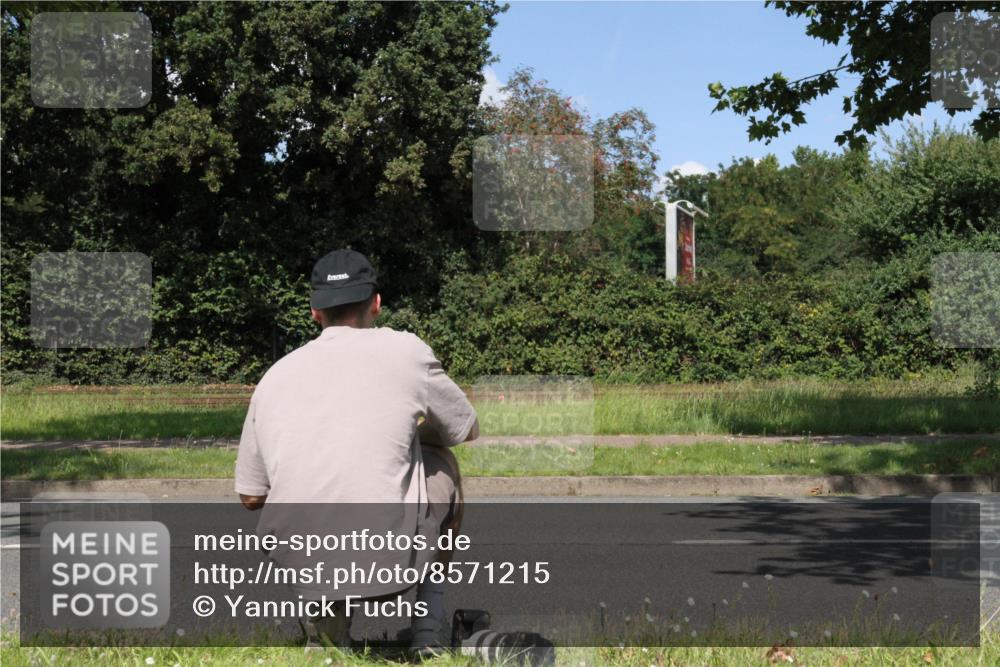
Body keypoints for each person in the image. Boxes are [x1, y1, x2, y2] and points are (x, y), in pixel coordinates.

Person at [234, 249, 479, 654]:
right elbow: (465, 427)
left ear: (314, 311)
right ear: (376, 304)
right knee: (443, 466)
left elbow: (250, 497)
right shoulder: (406, 352)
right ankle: (427, 634)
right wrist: (414, 440)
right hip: (388, 564)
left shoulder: (274, 377)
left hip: (303, 563)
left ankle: (326, 632)